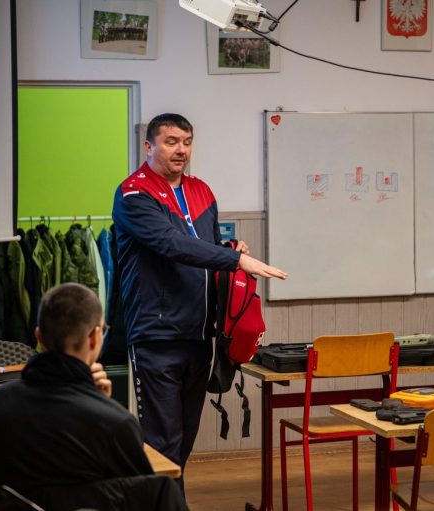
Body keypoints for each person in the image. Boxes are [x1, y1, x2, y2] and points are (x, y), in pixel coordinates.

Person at [112, 113, 287, 488]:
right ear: (149, 146)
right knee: (162, 443)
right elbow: (171, 244)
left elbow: (205, 248)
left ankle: (170, 501)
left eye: (187, 142)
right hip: (157, 336)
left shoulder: (201, 191)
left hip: (200, 335)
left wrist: (230, 248)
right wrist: (235, 259)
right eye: (171, 141)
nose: (181, 150)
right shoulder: (133, 194)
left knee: (184, 439)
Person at [0, 283, 186, 510]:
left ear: (38, 336)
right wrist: (101, 405)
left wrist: (92, 398)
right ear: (95, 337)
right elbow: (141, 498)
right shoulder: (116, 422)